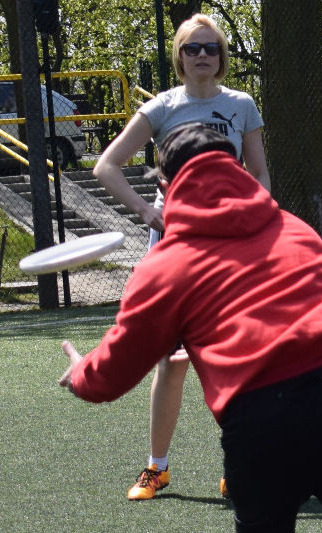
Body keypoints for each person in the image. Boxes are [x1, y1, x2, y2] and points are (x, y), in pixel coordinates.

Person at [60, 123, 322, 533]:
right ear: (238, 168)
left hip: (263, 413)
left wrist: (80, 373)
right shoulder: (294, 228)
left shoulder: (164, 266)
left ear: (165, 183)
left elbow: (113, 372)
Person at [91, 13, 270, 501]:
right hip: (175, 247)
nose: (202, 56)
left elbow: (260, 176)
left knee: (235, 356)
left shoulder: (242, 105)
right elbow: (106, 166)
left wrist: (251, 223)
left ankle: (239, 466)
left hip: (229, 247)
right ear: (179, 56)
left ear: (222, 55)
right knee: (171, 361)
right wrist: (149, 212)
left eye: (211, 47)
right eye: (193, 48)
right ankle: (157, 468)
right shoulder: (161, 107)